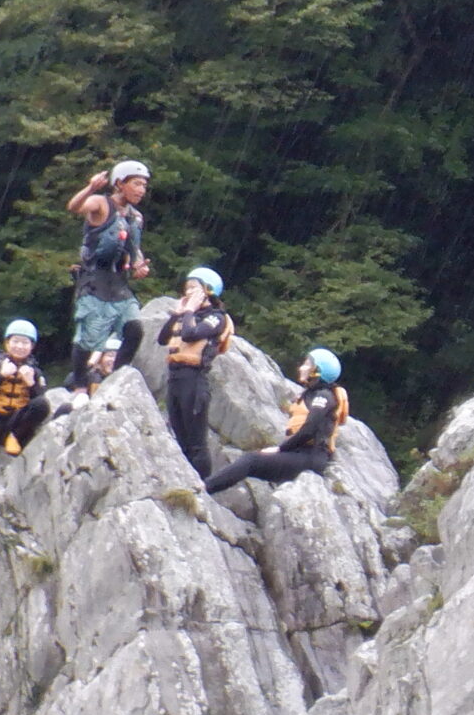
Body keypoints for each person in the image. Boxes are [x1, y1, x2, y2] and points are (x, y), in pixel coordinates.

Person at [206, 349, 349, 493]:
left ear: (317, 371)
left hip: (311, 457)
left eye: (307, 364)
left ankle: (205, 488)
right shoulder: (312, 394)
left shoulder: (323, 396)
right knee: (253, 460)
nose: (301, 368)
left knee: (251, 461)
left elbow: (309, 430)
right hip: (302, 454)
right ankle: (208, 486)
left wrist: (281, 449)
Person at [65, 160, 152, 390]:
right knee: (89, 339)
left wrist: (139, 266)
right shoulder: (101, 204)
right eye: (136, 184)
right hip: (94, 280)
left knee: (134, 328)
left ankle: (116, 377)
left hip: (118, 283)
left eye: (144, 185)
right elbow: (74, 207)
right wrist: (91, 187)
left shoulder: (136, 217)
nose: (141, 190)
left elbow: (134, 249)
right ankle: (81, 385)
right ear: (119, 184)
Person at [156, 266, 233, 475]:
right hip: (175, 378)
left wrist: (189, 310)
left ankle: (203, 485)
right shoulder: (186, 315)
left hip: (194, 380)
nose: (188, 292)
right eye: (187, 287)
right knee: (179, 438)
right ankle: (185, 480)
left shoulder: (216, 317)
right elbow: (162, 338)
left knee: (196, 442)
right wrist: (177, 314)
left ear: (208, 291)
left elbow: (191, 335)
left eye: (194, 288)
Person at [0, 320, 52, 458]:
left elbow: (39, 402)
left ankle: (14, 437)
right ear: (7, 343)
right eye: (15, 341)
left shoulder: (34, 370)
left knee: (42, 405)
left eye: (25, 343)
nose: (20, 346)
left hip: (16, 424)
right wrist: (1, 376)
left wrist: (31, 383)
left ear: (32, 346)